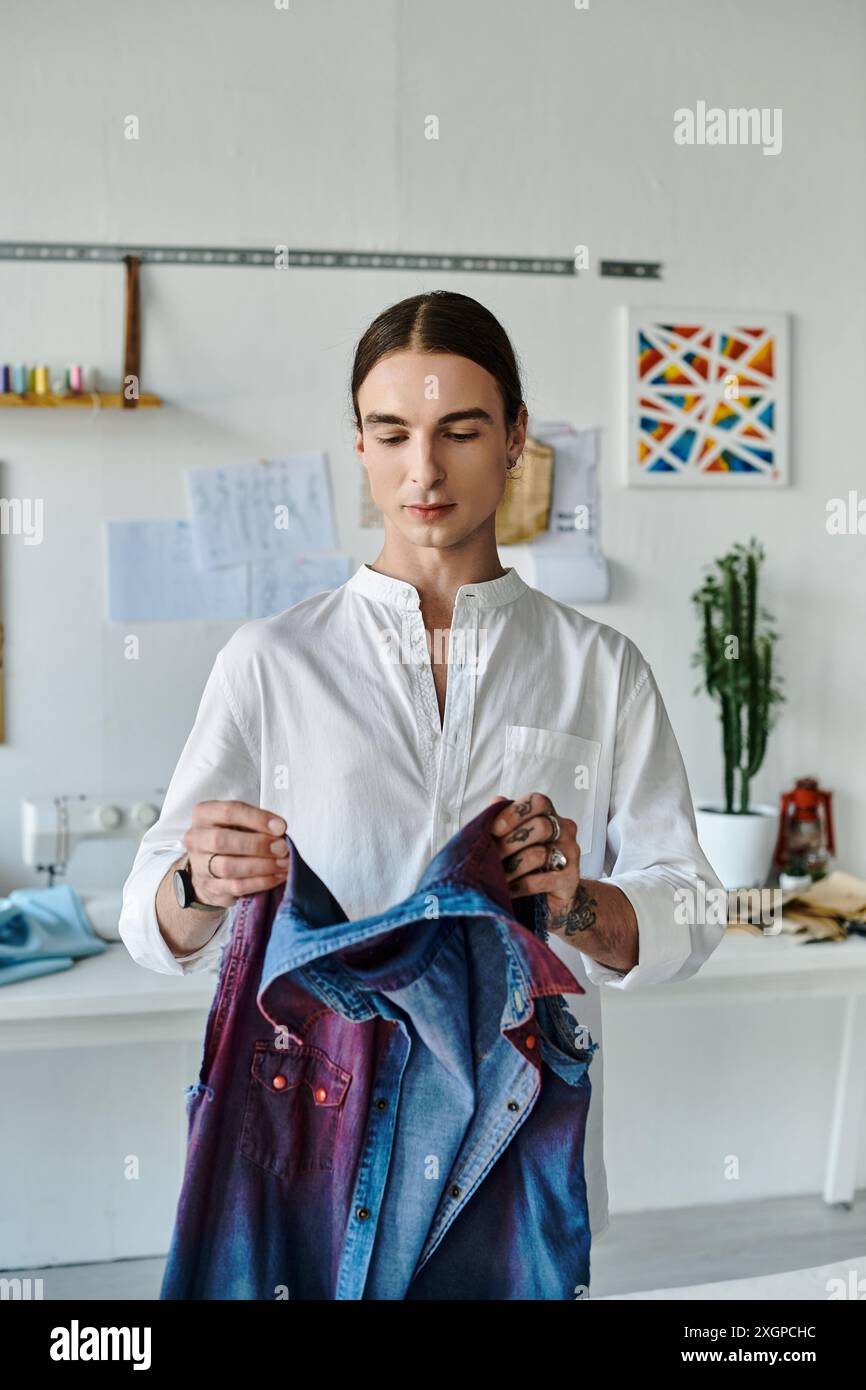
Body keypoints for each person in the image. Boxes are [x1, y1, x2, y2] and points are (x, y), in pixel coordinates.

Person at [119, 288, 725, 1254]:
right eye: (392, 432)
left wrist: (574, 904)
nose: (424, 469)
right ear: (359, 442)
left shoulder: (600, 670)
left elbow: (693, 909)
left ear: (516, 436)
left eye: (461, 431)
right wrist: (198, 881)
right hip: (312, 1153)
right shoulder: (271, 663)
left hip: (517, 1161)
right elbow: (152, 919)